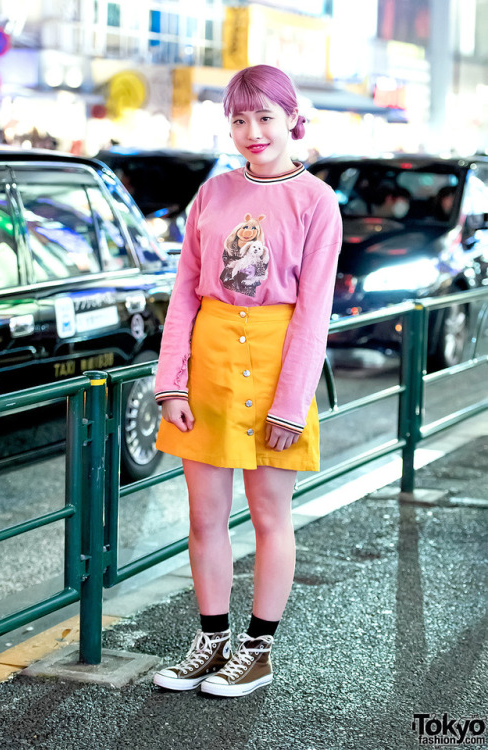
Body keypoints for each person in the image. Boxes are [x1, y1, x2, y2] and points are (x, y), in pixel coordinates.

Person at [152, 64, 342, 698]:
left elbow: (315, 308)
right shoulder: (212, 194)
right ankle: (211, 642)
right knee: (204, 517)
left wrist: (293, 403)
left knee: (269, 516)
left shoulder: (317, 199)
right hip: (206, 361)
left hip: (275, 363)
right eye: (238, 119)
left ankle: (257, 651)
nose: (252, 131)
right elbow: (184, 292)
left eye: (264, 116)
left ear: (292, 117)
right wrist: (171, 382)